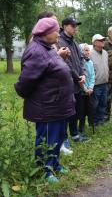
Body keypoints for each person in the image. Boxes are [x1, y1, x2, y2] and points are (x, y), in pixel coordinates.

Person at [15, 18, 74, 183]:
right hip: (47, 106)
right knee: (47, 139)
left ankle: (54, 165)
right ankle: (44, 171)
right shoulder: (36, 51)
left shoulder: (47, 48)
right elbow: (26, 82)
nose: (58, 33)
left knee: (58, 138)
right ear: (47, 33)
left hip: (57, 105)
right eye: (56, 30)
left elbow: (50, 68)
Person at [58, 17, 87, 150]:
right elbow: (66, 63)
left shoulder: (74, 42)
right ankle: (63, 139)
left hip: (77, 82)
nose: (75, 28)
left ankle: (75, 134)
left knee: (75, 110)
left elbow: (81, 59)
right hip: (68, 82)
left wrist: (83, 74)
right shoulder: (60, 41)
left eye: (76, 25)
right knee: (66, 112)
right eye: (72, 25)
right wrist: (77, 76)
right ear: (64, 26)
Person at [90, 34, 109, 126]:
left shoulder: (105, 52)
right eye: (100, 40)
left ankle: (100, 121)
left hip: (105, 83)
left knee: (103, 104)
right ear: (94, 43)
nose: (102, 42)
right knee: (94, 105)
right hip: (95, 84)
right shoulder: (90, 54)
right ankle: (93, 122)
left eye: (103, 40)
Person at [78, 43, 95, 135]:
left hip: (90, 90)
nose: (88, 52)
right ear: (81, 51)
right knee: (81, 110)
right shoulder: (80, 63)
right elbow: (79, 77)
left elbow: (92, 75)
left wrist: (91, 87)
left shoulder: (90, 62)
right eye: (86, 50)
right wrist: (85, 89)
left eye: (88, 50)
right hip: (82, 90)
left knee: (90, 108)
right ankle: (80, 128)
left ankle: (91, 124)